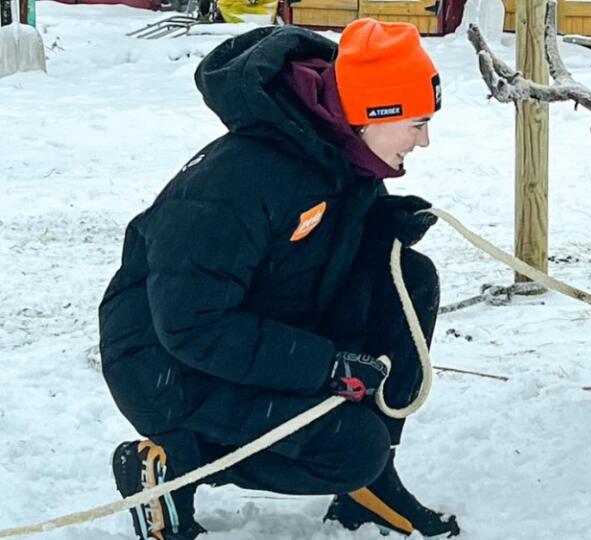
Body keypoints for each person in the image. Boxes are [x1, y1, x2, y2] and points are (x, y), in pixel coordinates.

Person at [99, 18, 459, 539]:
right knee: (352, 448)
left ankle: (372, 488)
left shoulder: (338, 149)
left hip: (255, 326)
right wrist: (325, 367)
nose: (424, 141)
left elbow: (318, 249)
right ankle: (172, 463)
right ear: (374, 114)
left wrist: (382, 226)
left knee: (407, 277)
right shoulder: (239, 182)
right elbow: (191, 324)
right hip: (168, 366)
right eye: (417, 122)